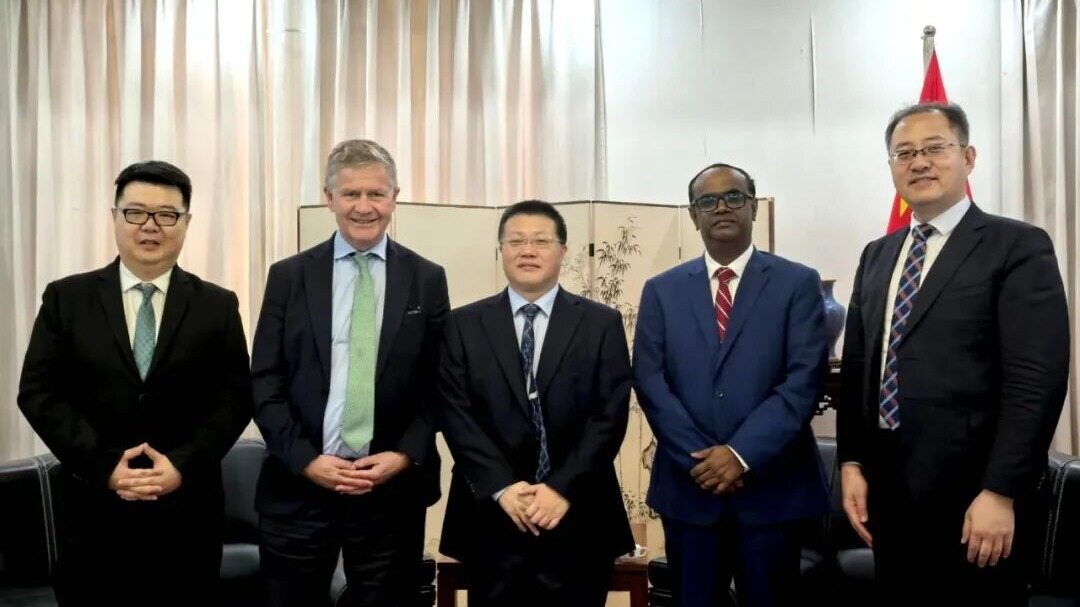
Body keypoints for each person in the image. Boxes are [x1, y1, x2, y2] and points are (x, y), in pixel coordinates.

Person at [837, 101, 1069, 606]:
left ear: (968, 157)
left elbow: (1037, 380)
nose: (919, 162)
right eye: (904, 153)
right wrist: (851, 461)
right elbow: (857, 369)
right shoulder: (877, 255)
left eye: (934, 148)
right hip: (890, 494)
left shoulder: (1016, 246)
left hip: (976, 498)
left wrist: (1001, 490)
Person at [17, 160, 253, 606]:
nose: (150, 226)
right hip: (93, 514)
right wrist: (104, 466)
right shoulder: (66, 298)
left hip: (186, 516)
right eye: (136, 212)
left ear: (186, 223)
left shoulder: (217, 305)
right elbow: (38, 392)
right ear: (114, 216)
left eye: (166, 215)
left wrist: (180, 465)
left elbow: (236, 398)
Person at [251, 139, 449, 606]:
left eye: (376, 193)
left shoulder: (427, 278)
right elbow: (264, 381)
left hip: (390, 492)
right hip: (299, 486)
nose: (364, 207)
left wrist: (403, 456)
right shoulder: (288, 277)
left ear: (395, 197)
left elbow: (439, 384)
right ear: (329, 198)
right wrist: (307, 460)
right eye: (351, 194)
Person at [633, 163, 830, 607]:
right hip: (690, 489)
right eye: (708, 200)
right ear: (693, 214)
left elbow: (803, 380)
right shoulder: (662, 290)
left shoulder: (797, 282)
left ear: (753, 207)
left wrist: (740, 455)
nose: (721, 207)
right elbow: (650, 380)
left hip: (772, 490)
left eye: (734, 196)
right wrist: (701, 460)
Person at [436, 200, 633, 606]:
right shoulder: (463, 324)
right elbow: (456, 414)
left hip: (579, 514)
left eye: (541, 241)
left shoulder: (601, 323)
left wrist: (560, 489)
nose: (528, 251)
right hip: (491, 516)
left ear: (563, 250)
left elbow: (609, 416)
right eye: (516, 241)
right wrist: (503, 487)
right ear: (500, 250)